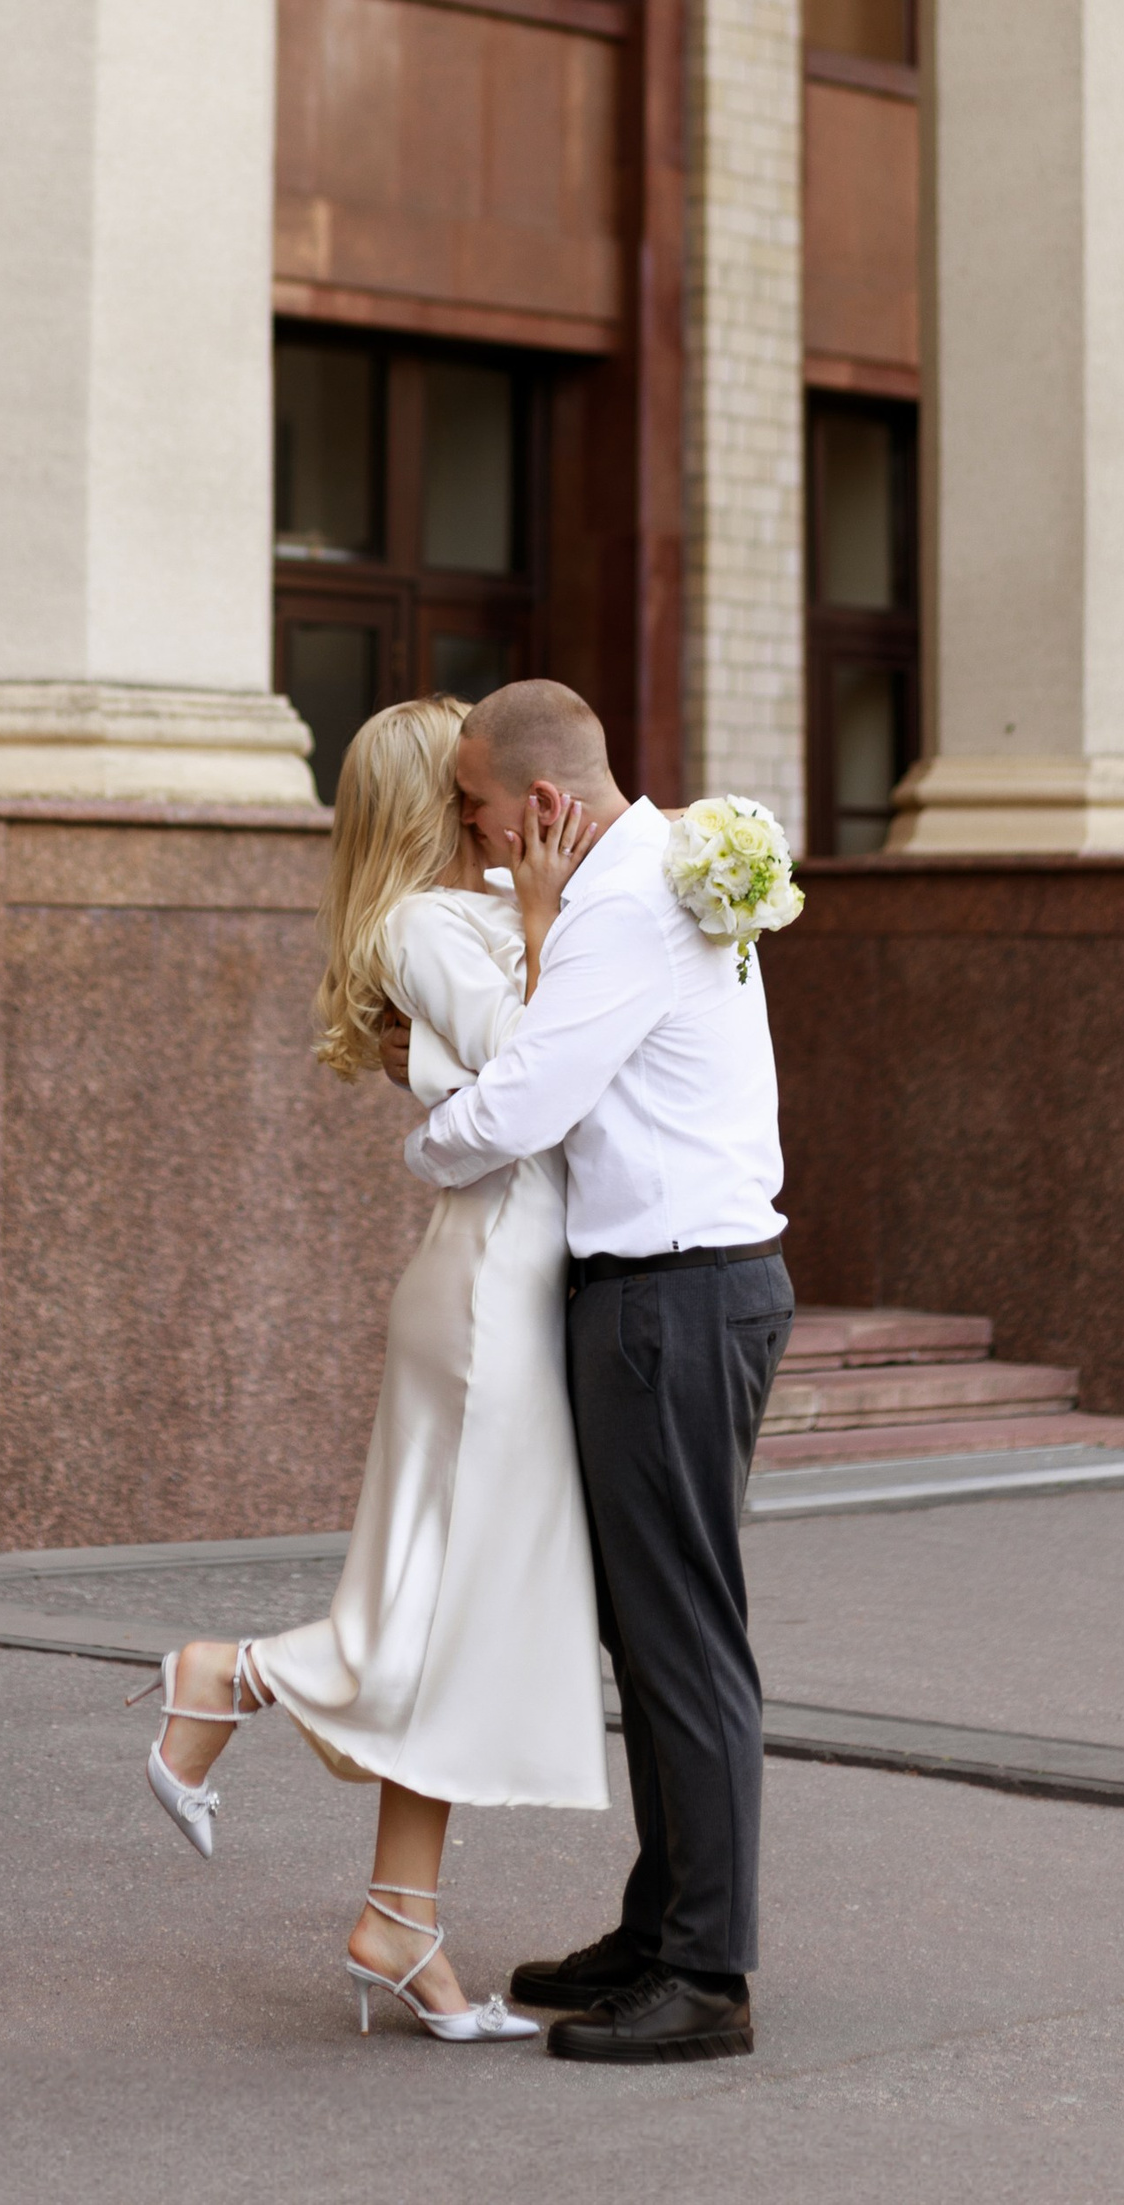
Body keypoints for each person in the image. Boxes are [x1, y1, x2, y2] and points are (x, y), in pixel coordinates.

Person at [142, 695, 607, 2041]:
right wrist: (541, 921)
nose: (500, 800)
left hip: (515, 1276)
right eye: (469, 783)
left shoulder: (469, 910)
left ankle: (401, 1918)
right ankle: (226, 1675)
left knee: (470, 1613)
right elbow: (540, 1069)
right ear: (431, 801)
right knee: (441, 1601)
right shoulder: (421, 924)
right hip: (491, 1289)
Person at [395, 677, 792, 2066]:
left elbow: (523, 1102)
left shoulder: (625, 906)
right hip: (689, 1290)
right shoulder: (664, 865)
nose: (474, 832)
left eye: (478, 807)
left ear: (546, 802)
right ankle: (662, 1926)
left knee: (681, 1637)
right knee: (655, 1628)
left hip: (671, 1296)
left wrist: (422, 1140)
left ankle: (706, 1975)